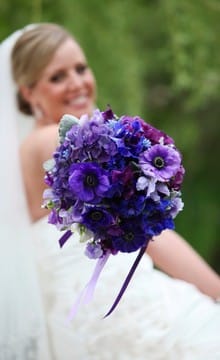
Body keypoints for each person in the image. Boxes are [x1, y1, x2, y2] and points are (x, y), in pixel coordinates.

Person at [1, 23, 220, 359]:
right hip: (117, 309)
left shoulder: (33, 148)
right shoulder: (55, 145)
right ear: (29, 92)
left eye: (80, 68)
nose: (76, 82)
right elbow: (150, 233)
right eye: (57, 77)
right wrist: (215, 290)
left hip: (82, 316)